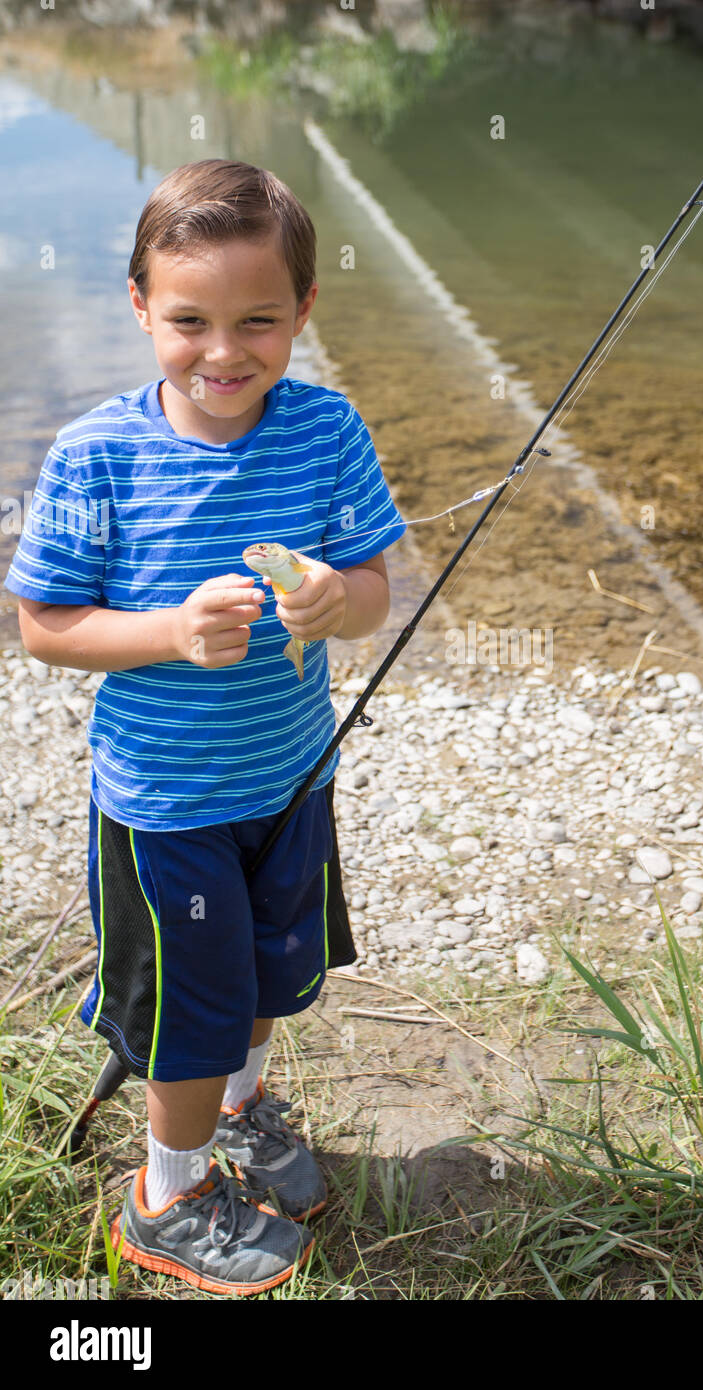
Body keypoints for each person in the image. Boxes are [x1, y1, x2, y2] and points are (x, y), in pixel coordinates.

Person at [4, 159, 406, 1295]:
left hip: (287, 778)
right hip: (165, 801)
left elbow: (374, 590)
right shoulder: (96, 454)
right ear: (139, 305)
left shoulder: (325, 430)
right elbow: (46, 627)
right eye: (189, 322)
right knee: (195, 1005)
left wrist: (340, 598)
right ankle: (165, 1192)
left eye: (258, 322)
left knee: (273, 973)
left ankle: (238, 1112)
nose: (224, 354)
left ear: (304, 314)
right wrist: (172, 631)